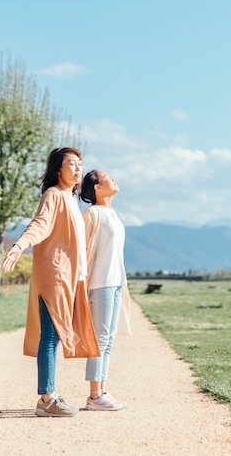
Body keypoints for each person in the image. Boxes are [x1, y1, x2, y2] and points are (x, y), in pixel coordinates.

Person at [2, 147, 100, 418]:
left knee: (54, 337)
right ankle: (46, 398)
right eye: (72, 164)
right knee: (49, 336)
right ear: (59, 169)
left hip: (70, 277)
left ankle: (49, 394)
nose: (78, 168)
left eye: (80, 164)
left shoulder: (71, 200)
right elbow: (40, 224)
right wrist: (19, 245)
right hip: (55, 275)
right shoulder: (54, 195)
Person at [79, 169, 132, 411]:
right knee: (99, 340)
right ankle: (93, 396)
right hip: (99, 283)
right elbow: (81, 251)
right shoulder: (92, 214)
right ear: (97, 188)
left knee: (108, 340)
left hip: (115, 282)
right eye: (107, 176)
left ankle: (101, 391)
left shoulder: (112, 213)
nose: (113, 178)